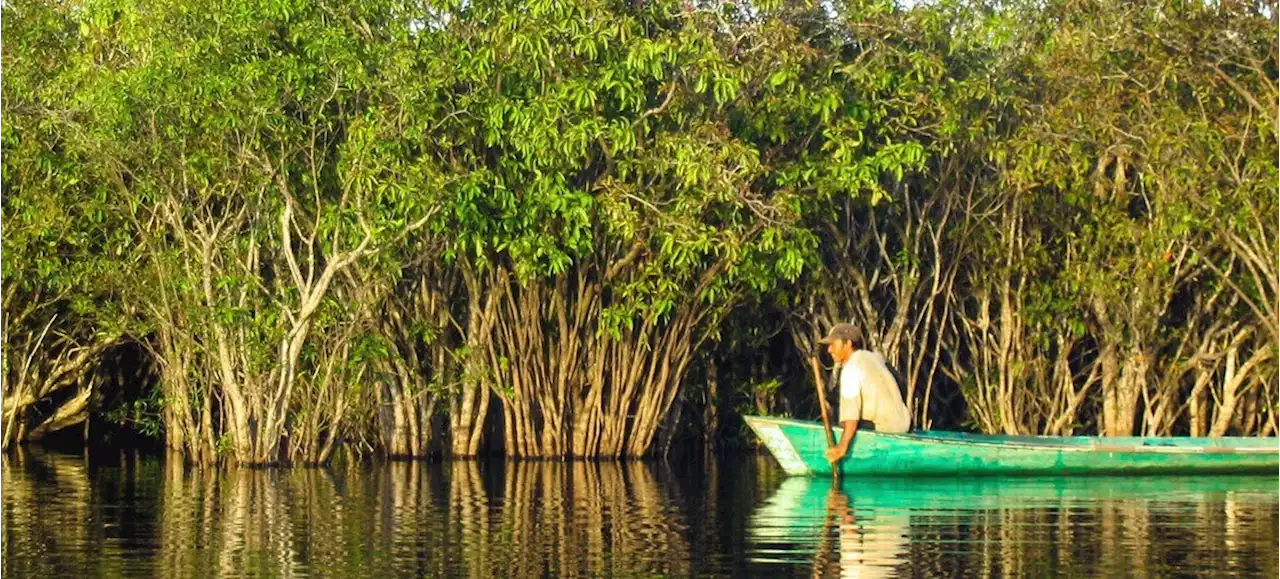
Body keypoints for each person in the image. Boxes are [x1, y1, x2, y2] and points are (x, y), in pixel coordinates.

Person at [818, 323, 911, 465]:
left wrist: (842, 447)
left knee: (843, 422)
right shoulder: (874, 357)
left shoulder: (851, 369)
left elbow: (851, 417)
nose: (829, 350)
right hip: (905, 423)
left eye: (833, 344)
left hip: (886, 429)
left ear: (848, 344)